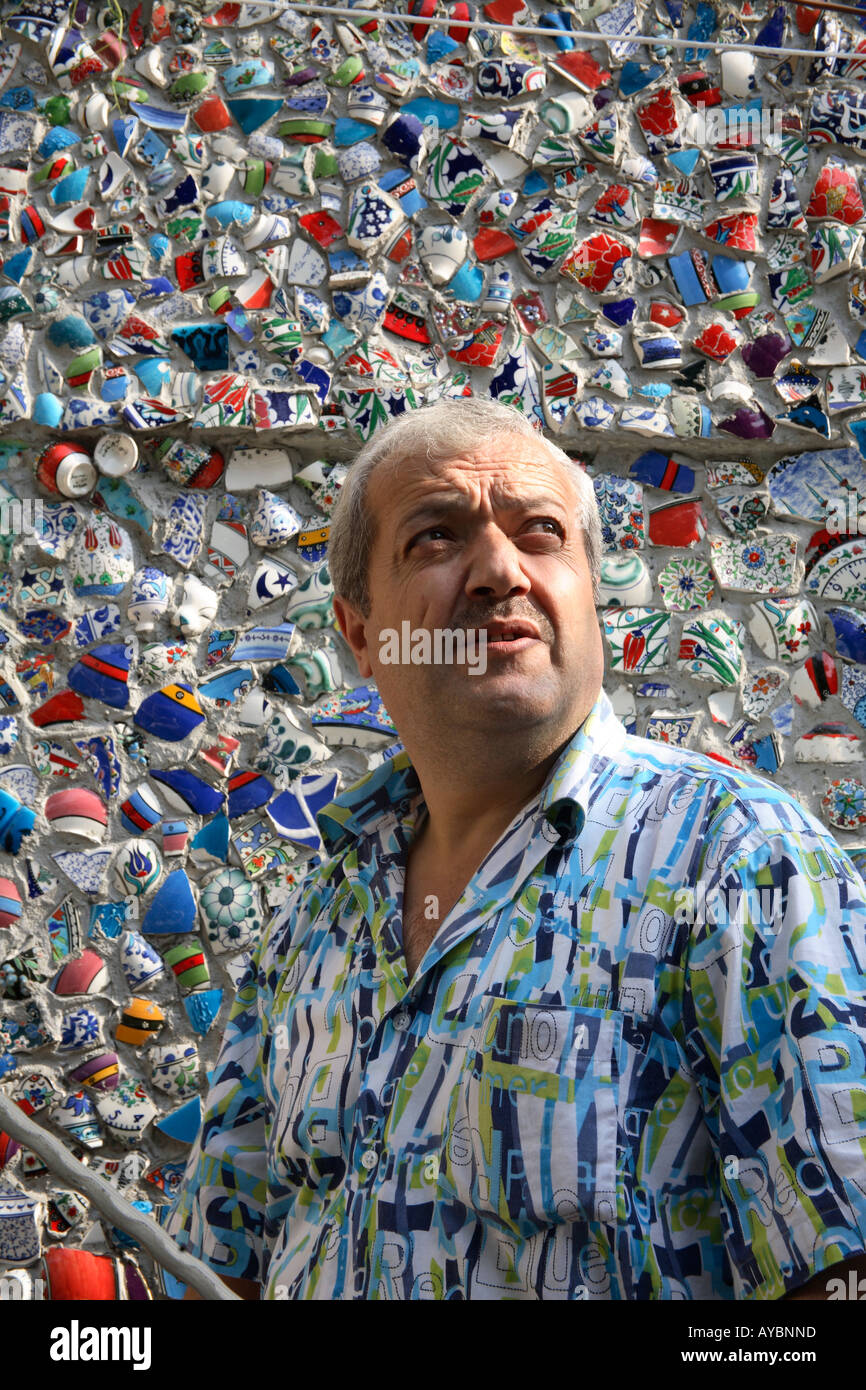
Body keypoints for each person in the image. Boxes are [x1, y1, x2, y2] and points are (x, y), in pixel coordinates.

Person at [167, 397, 866, 1300]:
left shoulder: (737, 861)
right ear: (360, 633)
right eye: (435, 537)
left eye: (541, 534)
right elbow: (221, 1257)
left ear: (591, 596)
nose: (501, 569)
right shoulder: (319, 909)